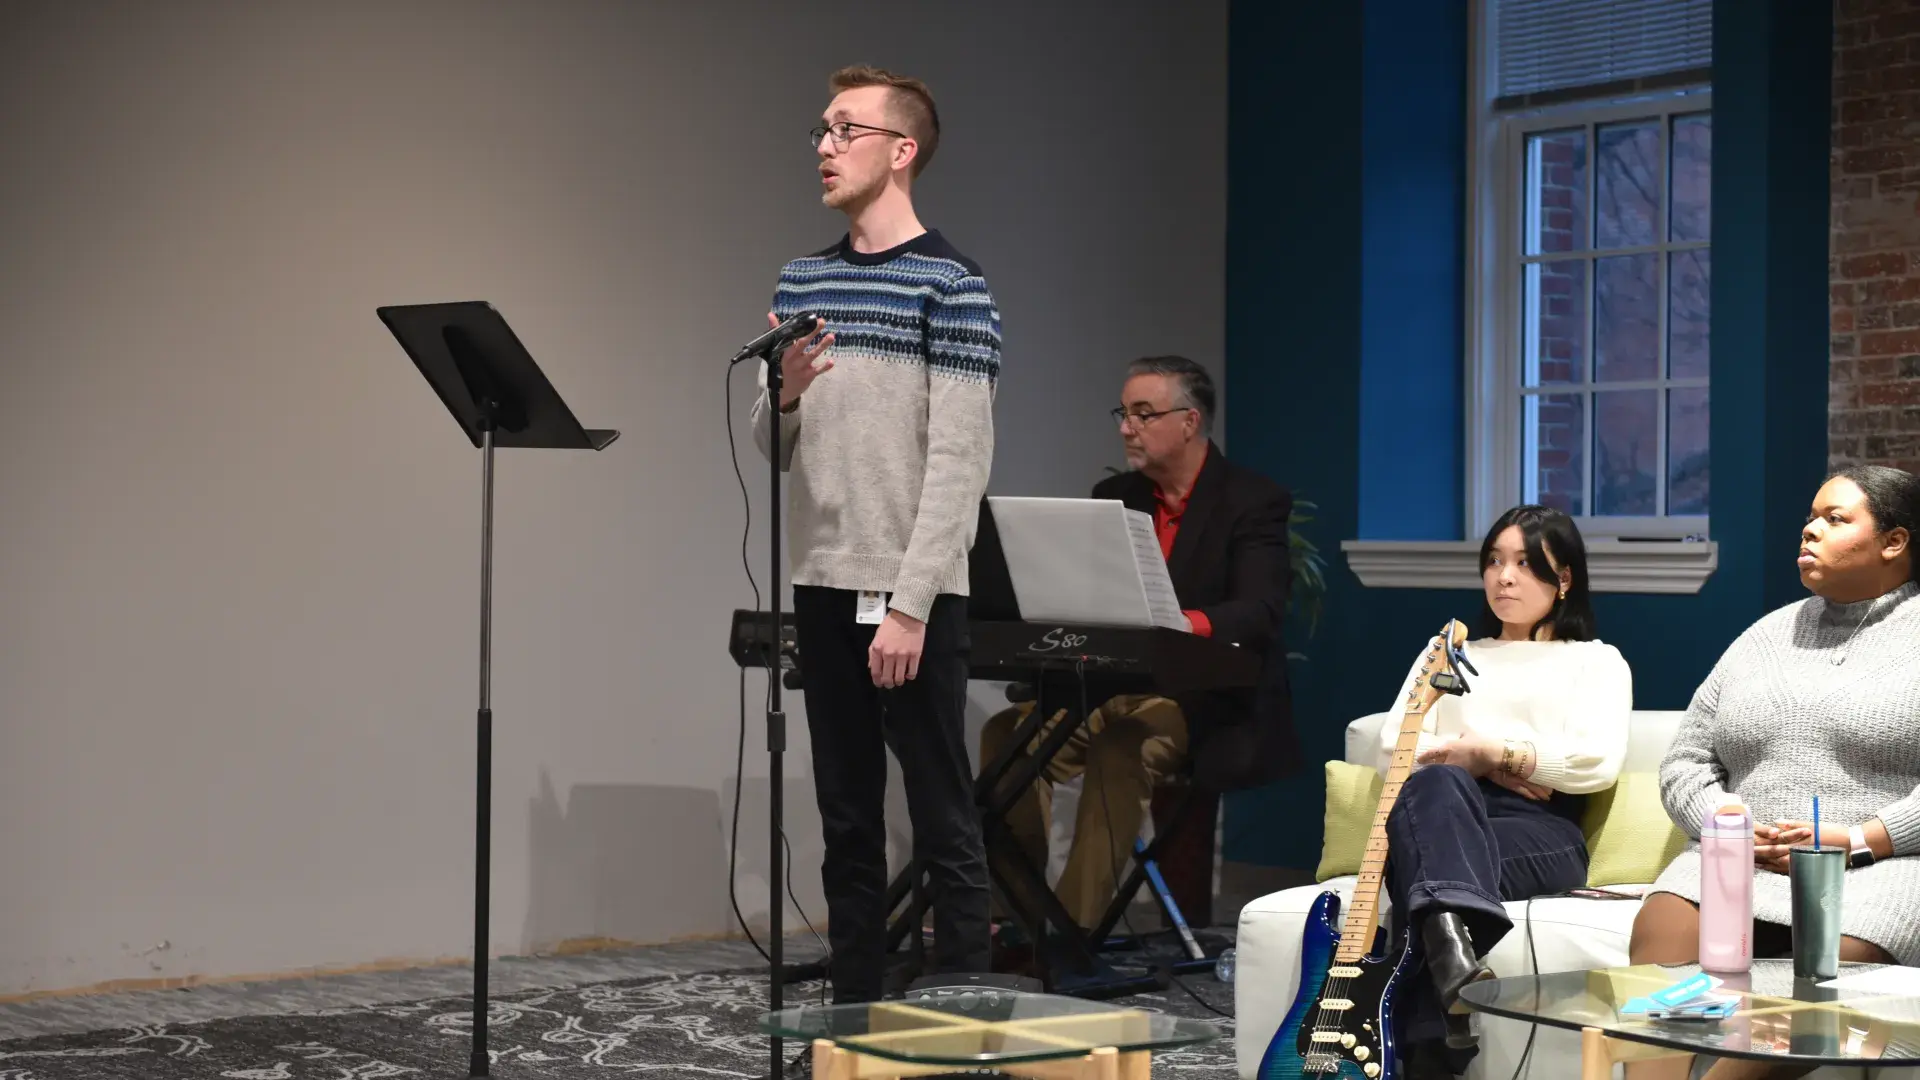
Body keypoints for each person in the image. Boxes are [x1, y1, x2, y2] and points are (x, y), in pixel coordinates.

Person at [749, 65, 1001, 1011]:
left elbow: (959, 462)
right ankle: (853, 1015)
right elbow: (772, 444)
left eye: (843, 129)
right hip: (821, 583)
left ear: (901, 152)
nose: (821, 144)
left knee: (942, 818)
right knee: (845, 817)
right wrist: (785, 392)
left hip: (912, 598)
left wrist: (909, 604)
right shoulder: (801, 279)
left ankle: (971, 1021)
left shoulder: (953, 284)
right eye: (819, 128)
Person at [978, 355, 1298, 934]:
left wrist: (1178, 623)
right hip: (1105, 689)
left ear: (1190, 421)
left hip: (1197, 701)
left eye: (1143, 414)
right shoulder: (1116, 494)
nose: (1126, 427)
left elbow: (1259, 612)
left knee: (1122, 749)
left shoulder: (1252, 501)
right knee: (1005, 737)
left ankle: (1071, 933)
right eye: (1123, 413)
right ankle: (1021, 915)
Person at [1626, 465, 1920, 1080]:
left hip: (1875, 870)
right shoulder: (1765, 635)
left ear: (1894, 542)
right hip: (1737, 857)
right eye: (1811, 517)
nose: (1809, 530)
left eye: (1835, 519)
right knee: (1662, 931)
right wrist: (1729, 823)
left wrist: (1855, 840)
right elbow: (1686, 760)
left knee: (1824, 981)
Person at [1373, 505, 1632, 1078]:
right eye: (1493, 561)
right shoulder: (1450, 652)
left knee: (1422, 857)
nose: (1503, 577)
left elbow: (1596, 764)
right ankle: (1452, 978)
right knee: (1438, 787)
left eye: (1522, 563)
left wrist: (1495, 753)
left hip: (1541, 832)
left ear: (1564, 578)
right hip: (1444, 811)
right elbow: (1394, 746)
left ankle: (1427, 1041)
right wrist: (1479, 765)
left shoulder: (1596, 662)